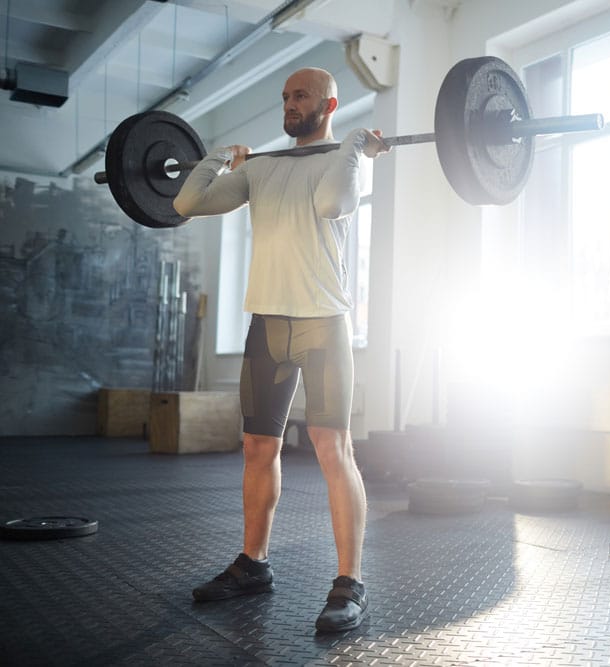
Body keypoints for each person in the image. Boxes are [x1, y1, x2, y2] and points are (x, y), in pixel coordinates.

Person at [173, 66, 389, 633]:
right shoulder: (262, 168)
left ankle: (349, 583)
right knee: (255, 448)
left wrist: (355, 147)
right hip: (266, 322)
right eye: (286, 96)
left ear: (329, 103)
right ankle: (253, 564)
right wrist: (218, 157)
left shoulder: (343, 163)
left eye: (302, 96)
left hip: (323, 322)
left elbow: (332, 204)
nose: (291, 104)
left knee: (331, 447)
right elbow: (186, 204)